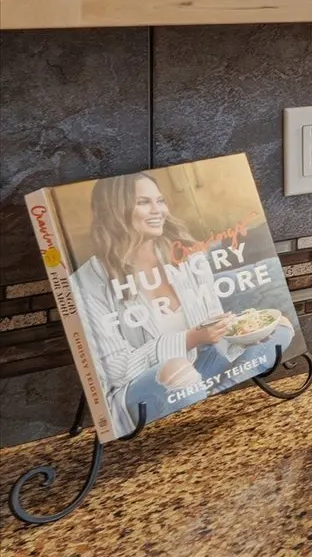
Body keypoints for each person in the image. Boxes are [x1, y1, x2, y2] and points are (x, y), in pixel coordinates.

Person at [68, 172, 293, 438]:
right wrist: (188, 338)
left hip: (205, 363)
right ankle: (206, 395)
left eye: (160, 201)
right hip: (139, 386)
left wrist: (238, 331)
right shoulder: (88, 283)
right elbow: (115, 370)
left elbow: (210, 320)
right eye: (144, 202)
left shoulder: (185, 256)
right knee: (179, 371)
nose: (158, 210)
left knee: (279, 327)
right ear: (116, 211)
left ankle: (210, 394)